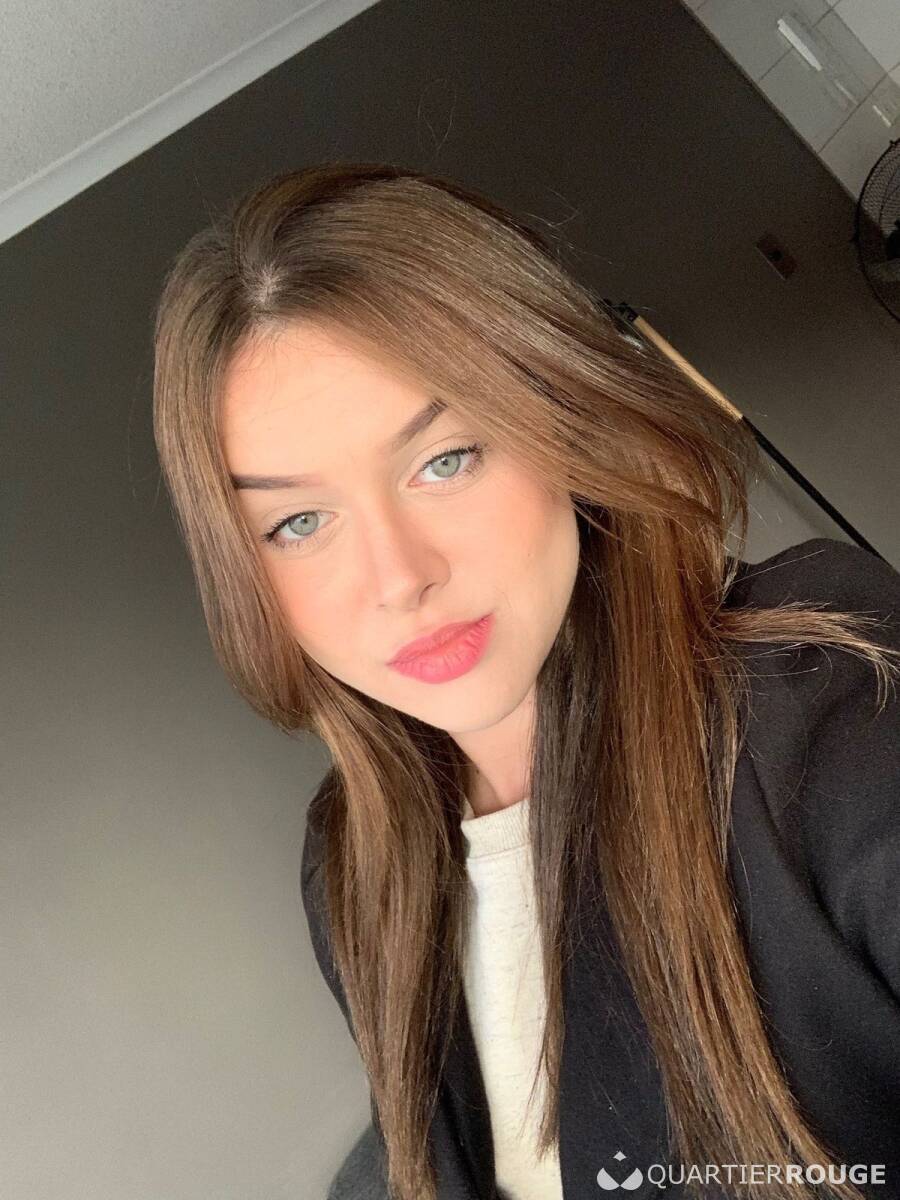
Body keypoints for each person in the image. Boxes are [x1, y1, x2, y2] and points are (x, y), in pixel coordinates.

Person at [152, 163, 900, 1200]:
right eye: (297, 522)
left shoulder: (821, 681)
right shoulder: (350, 862)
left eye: (446, 459)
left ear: (563, 421)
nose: (399, 577)